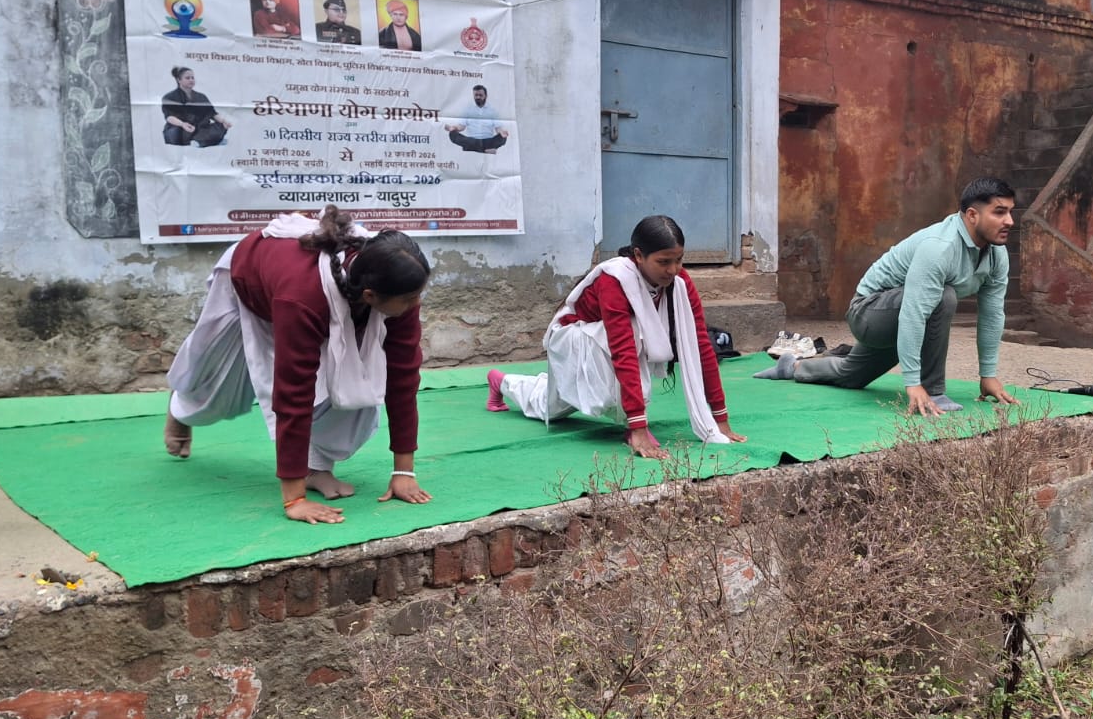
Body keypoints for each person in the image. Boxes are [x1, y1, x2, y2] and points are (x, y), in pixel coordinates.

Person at [163, 206, 433, 524]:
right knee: (211, 370)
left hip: (318, 290)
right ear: (371, 296)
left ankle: (315, 468)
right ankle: (181, 408)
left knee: (352, 387)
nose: (417, 304)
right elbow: (292, 393)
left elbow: (402, 375)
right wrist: (294, 501)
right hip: (251, 274)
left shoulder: (401, 286)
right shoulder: (303, 297)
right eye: (411, 299)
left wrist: (404, 471)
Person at [486, 215, 745, 459]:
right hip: (572, 341)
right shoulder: (615, 280)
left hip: (601, 347)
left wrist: (719, 420)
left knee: (549, 407)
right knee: (631, 340)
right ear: (639, 256)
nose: (673, 270)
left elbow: (701, 345)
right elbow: (623, 351)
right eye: (664, 262)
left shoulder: (680, 283)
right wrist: (638, 427)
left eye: (678, 260)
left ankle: (501, 382)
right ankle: (631, 427)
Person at [756, 177, 1020, 415]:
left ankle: (792, 368)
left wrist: (988, 374)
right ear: (972, 215)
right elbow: (914, 313)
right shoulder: (940, 248)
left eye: (1010, 211)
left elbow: (992, 313)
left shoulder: (996, 254)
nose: (1010, 221)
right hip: (869, 313)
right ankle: (934, 390)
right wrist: (914, 384)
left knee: (851, 376)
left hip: (902, 316)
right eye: (999, 212)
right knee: (944, 296)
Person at [161, 67, 231, 147]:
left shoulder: (201, 97)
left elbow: (212, 113)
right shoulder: (169, 97)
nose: (191, 80)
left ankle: (199, 142)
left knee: (221, 125)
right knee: (174, 133)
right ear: (179, 80)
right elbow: (169, 117)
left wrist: (224, 121)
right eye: (187, 78)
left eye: (192, 78)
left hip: (200, 129)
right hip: (181, 128)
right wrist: (182, 124)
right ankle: (206, 141)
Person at [445, 84, 509, 153]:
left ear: (486, 96)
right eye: (476, 95)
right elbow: (461, 127)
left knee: (503, 138)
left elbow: (498, 128)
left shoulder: (493, 111)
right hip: (471, 141)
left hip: (488, 141)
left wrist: (502, 132)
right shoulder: (468, 110)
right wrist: (454, 128)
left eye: (480, 95)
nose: (478, 97)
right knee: (453, 134)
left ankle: (476, 149)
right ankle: (483, 150)